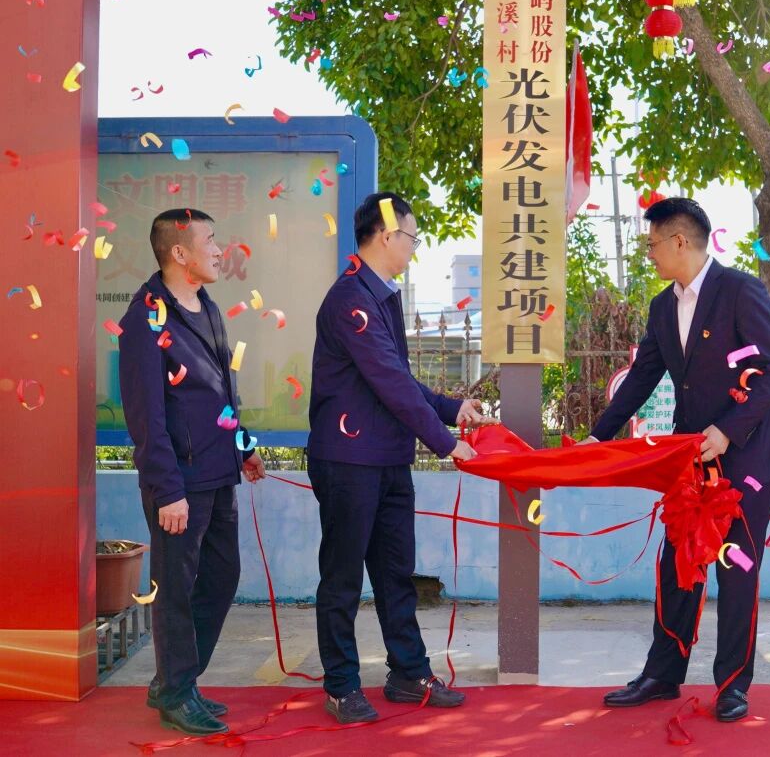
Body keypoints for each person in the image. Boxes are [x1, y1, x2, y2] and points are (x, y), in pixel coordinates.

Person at [585, 198, 770, 722]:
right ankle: (662, 674)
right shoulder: (662, 306)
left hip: (745, 455)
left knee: (735, 567)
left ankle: (733, 685)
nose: (648, 253)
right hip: (691, 457)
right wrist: (598, 436)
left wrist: (728, 431)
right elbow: (642, 378)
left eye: (652, 243)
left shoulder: (739, 290)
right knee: (677, 563)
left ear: (679, 241)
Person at [307, 192, 492, 724]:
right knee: (342, 577)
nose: (414, 246)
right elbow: (389, 381)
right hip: (349, 461)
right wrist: (445, 441)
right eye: (411, 236)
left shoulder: (380, 295)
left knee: (395, 574)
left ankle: (408, 673)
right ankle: (342, 684)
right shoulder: (351, 299)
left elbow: (399, 378)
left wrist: (453, 409)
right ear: (387, 235)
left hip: (387, 459)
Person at [119, 207, 266, 736]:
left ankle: (173, 681)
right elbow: (146, 414)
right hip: (179, 482)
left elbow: (222, 390)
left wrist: (243, 445)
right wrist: (166, 489)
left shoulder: (207, 307)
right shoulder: (145, 318)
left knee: (222, 577)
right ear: (179, 252)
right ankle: (177, 692)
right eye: (210, 240)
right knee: (176, 590)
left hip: (219, 470)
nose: (219, 250)